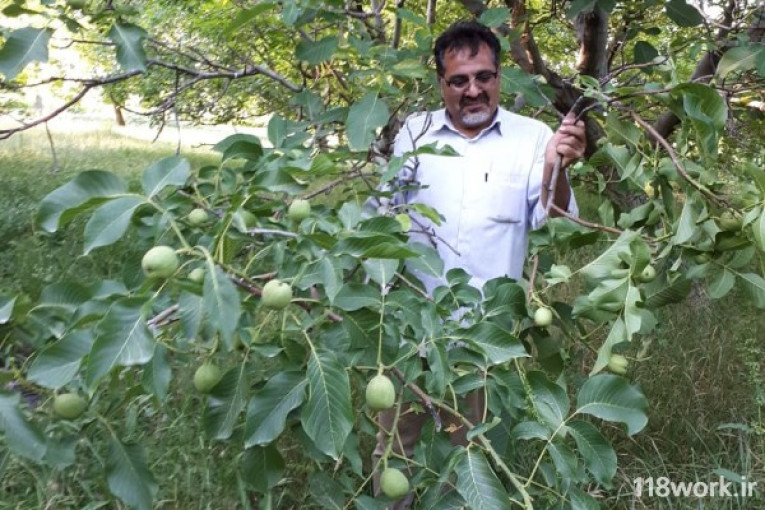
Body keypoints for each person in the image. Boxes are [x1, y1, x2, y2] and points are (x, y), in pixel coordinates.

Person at [371, 20, 586, 507]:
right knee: (394, 454)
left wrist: (559, 166)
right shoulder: (416, 131)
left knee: (470, 455)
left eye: (484, 77)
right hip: (411, 331)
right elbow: (383, 215)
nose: (474, 90)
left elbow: (554, 217)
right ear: (441, 83)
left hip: (483, 344)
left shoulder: (534, 137)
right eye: (459, 80)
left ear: (499, 76)